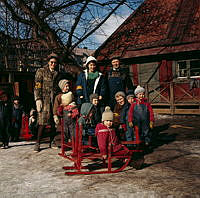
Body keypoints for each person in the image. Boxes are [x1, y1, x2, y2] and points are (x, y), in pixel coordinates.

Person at [33, 52, 59, 152]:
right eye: (51, 62)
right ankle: (38, 143)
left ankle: (52, 141)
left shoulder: (57, 73)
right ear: (48, 62)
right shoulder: (41, 71)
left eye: (55, 63)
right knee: (42, 121)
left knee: (53, 122)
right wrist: (38, 99)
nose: (53, 64)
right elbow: (37, 85)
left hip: (54, 100)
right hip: (44, 99)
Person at [53, 80, 79, 146]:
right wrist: (55, 115)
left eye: (68, 86)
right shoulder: (58, 96)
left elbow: (73, 103)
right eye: (66, 86)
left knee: (72, 129)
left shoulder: (71, 94)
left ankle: (73, 143)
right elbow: (55, 106)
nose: (67, 88)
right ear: (62, 87)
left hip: (71, 115)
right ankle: (61, 143)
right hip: (63, 115)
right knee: (63, 130)